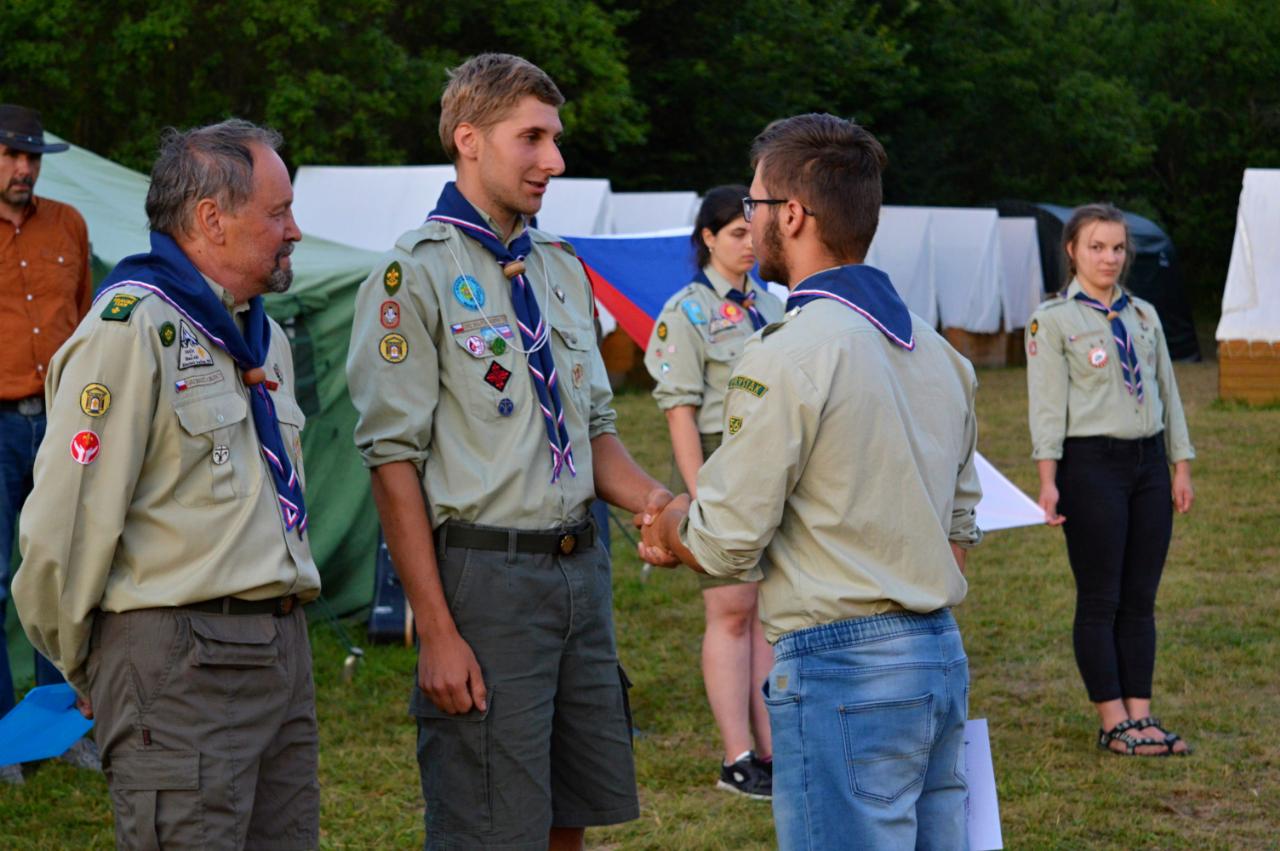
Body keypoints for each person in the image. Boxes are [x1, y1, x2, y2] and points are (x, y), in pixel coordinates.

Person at [346, 53, 672, 851]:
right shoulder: (413, 274)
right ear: (469, 139)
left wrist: (660, 504)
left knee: (569, 808)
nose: (553, 160)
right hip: (486, 580)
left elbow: (594, 431)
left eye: (554, 139)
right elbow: (392, 462)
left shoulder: (559, 267)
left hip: (580, 571)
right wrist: (435, 626)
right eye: (532, 138)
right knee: (490, 823)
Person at [641, 113, 983, 850]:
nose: (752, 221)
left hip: (842, 666)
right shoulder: (940, 353)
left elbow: (727, 541)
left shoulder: (788, 353)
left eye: (756, 204)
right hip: (938, 652)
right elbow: (958, 531)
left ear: (792, 215)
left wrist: (669, 525)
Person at [13, 119, 322, 848]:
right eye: (278, 212)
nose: (295, 231)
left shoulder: (262, 336)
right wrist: (92, 664)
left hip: (281, 650)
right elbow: (62, 529)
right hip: (181, 664)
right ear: (212, 219)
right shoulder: (129, 330)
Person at [1025, 202, 1195, 757]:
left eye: (1118, 248)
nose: (1109, 258)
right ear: (1072, 251)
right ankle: (1112, 721)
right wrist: (1048, 480)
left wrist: (1180, 464)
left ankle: (1141, 715)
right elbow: (1046, 408)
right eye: (1096, 247)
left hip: (1148, 465)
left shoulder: (1143, 316)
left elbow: (1168, 392)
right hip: (1091, 465)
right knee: (1101, 597)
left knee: (1141, 598)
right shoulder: (1052, 320)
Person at [642, 185, 783, 799]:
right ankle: (737, 758)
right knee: (729, 614)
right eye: (736, 233)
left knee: (768, 615)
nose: (750, 243)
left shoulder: (772, 306)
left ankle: (776, 749)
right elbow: (680, 413)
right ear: (708, 238)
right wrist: (702, 498)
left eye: (754, 231)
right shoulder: (686, 312)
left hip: (772, 473)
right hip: (719, 473)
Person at [0, 103, 95, 784]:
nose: (23, 168)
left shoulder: (69, 224)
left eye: (31, 157)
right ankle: (7, 740)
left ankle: (63, 731)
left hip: (61, 422)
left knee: (61, 575)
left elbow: (87, 324)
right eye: (11, 154)